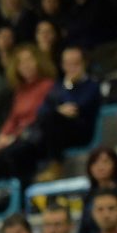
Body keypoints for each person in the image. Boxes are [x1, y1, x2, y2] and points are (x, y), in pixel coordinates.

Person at [0, 45, 57, 183]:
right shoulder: (19, 91)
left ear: (38, 61)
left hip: (36, 137)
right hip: (17, 137)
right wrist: (2, 136)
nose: (25, 65)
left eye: (29, 60)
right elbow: (12, 118)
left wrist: (13, 137)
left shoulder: (48, 85)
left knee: (13, 154)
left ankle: (22, 189)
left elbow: (40, 116)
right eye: (20, 62)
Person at [31, 48, 101, 182]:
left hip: (81, 130)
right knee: (39, 129)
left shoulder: (92, 85)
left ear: (84, 64)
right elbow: (41, 111)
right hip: (57, 131)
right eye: (68, 64)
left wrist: (69, 86)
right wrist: (59, 109)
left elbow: (75, 108)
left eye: (76, 63)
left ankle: (56, 165)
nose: (72, 68)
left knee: (52, 119)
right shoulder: (58, 86)